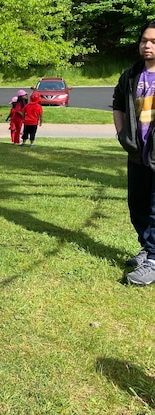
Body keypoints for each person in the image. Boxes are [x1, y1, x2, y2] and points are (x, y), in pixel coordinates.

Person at [113, 20, 155, 286]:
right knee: (137, 204)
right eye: (143, 40)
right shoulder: (131, 75)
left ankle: (154, 259)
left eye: (153, 42)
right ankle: (147, 247)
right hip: (136, 152)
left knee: (154, 206)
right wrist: (122, 135)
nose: (147, 45)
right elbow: (117, 104)